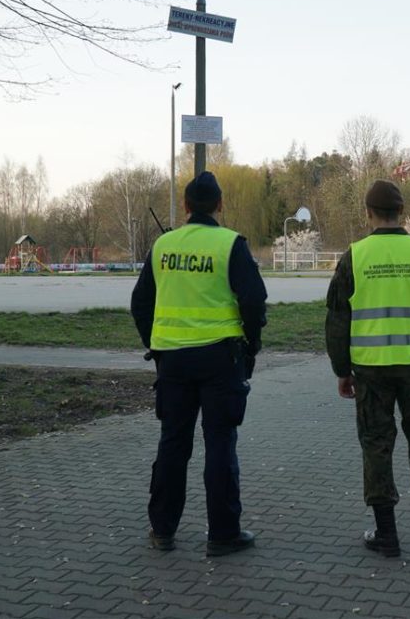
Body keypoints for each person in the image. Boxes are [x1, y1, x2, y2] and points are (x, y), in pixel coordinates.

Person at [131, 171, 267, 557]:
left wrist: (155, 344)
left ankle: (162, 530)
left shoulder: (163, 245)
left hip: (172, 361)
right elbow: (254, 301)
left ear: (186, 206)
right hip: (221, 359)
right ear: (220, 205)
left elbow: (140, 303)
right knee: (220, 443)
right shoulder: (230, 245)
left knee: (173, 443)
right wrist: (251, 345)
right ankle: (223, 535)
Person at [325, 179, 410, 559]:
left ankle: (386, 534)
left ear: (368, 213)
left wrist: (342, 370)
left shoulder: (355, 256)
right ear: (401, 213)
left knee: (376, 446)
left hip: (370, 371)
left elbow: (337, 320)